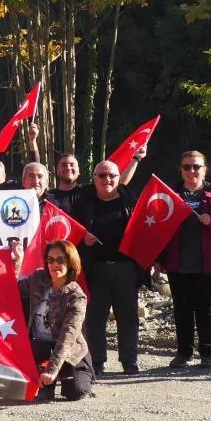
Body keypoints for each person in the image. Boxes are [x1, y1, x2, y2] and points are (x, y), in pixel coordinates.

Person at [158, 151, 211, 370]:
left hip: (208, 261)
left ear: (204, 169)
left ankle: (208, 354)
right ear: (181, 170)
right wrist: (159, 259)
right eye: (187, 167)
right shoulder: (171, 193)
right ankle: (184, 353)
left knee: (206, 307)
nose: (192, 171)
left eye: (196, 167)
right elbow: (159, 227)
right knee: (181, 308)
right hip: (178, 260)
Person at [71, 160, 139, 376]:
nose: (107, 180)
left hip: (126, 268)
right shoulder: (84, 204)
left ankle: (129, 361)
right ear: (94, 179)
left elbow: (148, 231)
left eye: (112, 176)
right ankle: (97, 362)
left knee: (128, 317)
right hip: (96, 269)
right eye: (102, 176)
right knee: (95, 318)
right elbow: (72, 234)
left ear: (119, 178)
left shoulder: (130, 200)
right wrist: (83, 239)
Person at [11, 239, 94, 401]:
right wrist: (18, 261)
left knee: (76, 392)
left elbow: (68, 337)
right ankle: (46, 380)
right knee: (42, 394)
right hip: (40, 347)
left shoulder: (76, 297)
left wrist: (52, 370)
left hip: (68, 351)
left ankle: (82, 374)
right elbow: (13, 290)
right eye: (50, 260)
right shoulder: (38, 278)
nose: (54, 264)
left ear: (71, 262)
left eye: (60, 260)